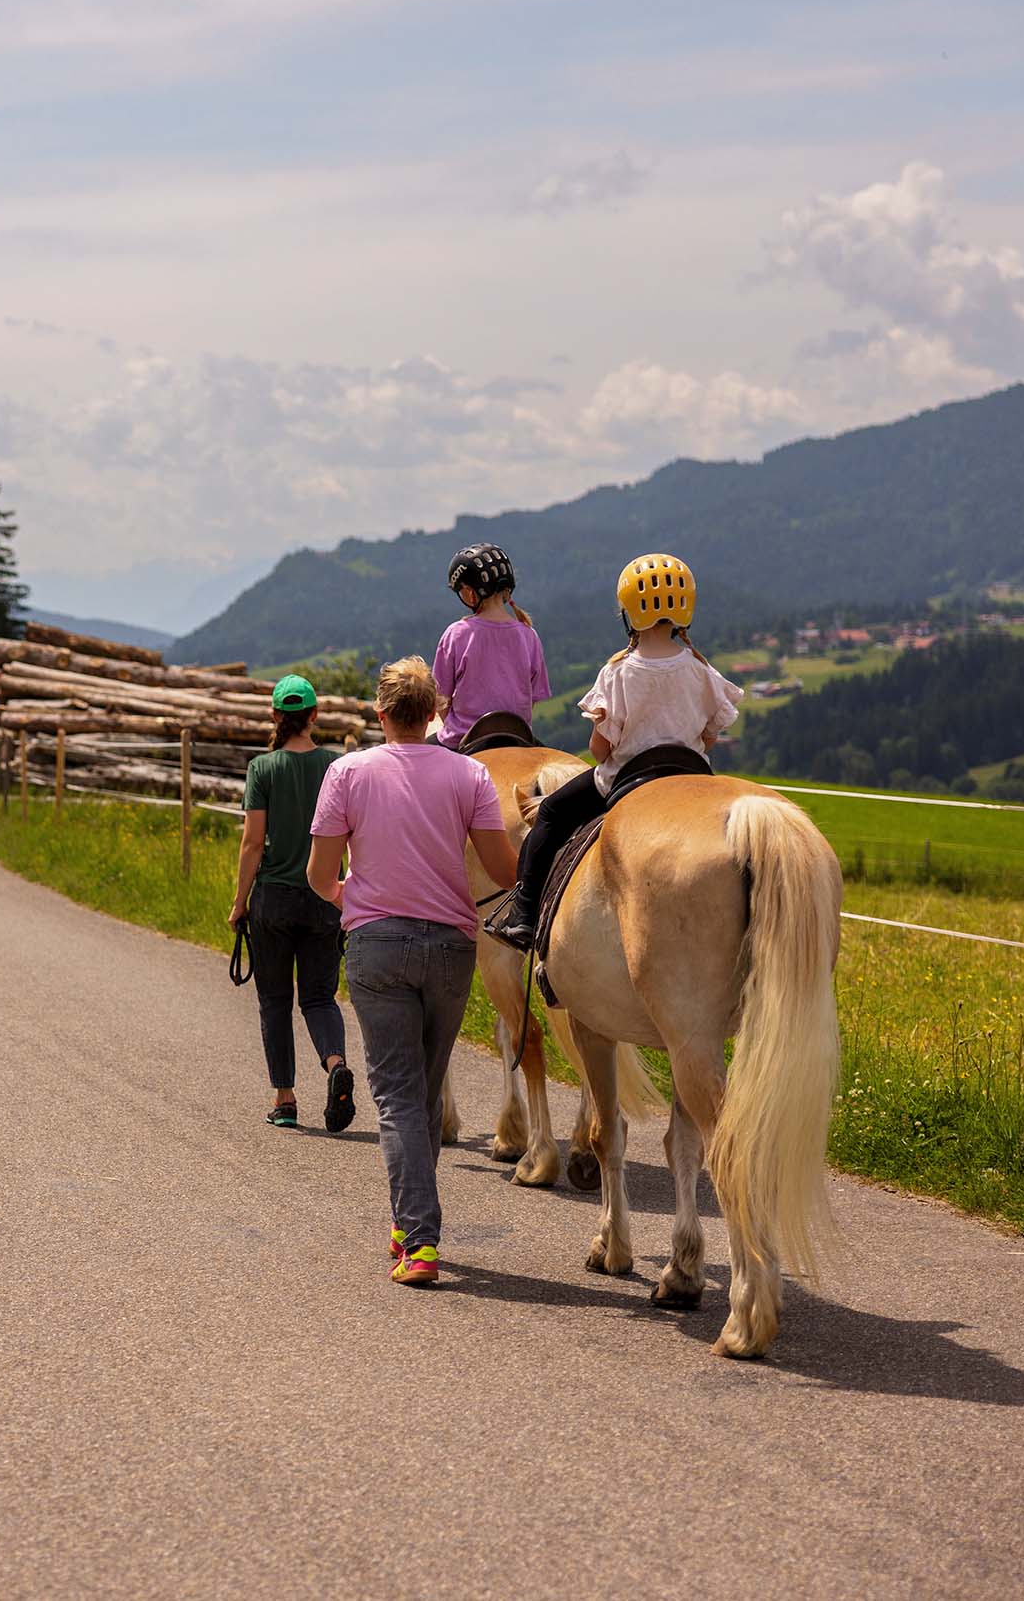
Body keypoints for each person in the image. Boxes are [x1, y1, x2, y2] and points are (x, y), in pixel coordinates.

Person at [305, 658, 519, 1286]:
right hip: (451, 947)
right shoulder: (470, 773)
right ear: (434, 714)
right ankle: (407, 1224)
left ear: (380, 713)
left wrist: (350, 898)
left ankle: (420, 1241)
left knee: (397, 1095)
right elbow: (504, 872)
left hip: (377, 945)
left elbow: (319, 874)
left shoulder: (347, 772)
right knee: (421, 1092)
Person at [487, 553, 742, 953]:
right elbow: (709, 738)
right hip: (691, 779)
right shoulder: (701, 670)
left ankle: (524, 914)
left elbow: (600, 749)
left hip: (625, 780)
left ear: (629, 614)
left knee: (550, 813)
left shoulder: (618, 672)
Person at [225, 674, 354, 1132]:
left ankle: (284, 1099)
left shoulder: (262, 769)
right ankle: (336, 1064)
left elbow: (252, 843)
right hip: (325, 897)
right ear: (314, 715)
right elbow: (352, 835)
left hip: (274, 901)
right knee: (319, 997)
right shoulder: (337, 767)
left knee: (275, 1000)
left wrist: (239, 902)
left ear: (275, 715)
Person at [434, 543, 548, 748]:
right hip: (518, 737)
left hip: (464, 738)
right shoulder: (529, 635)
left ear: (470, 593)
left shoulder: (456, 634)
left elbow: (441, 698)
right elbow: (533, 697)